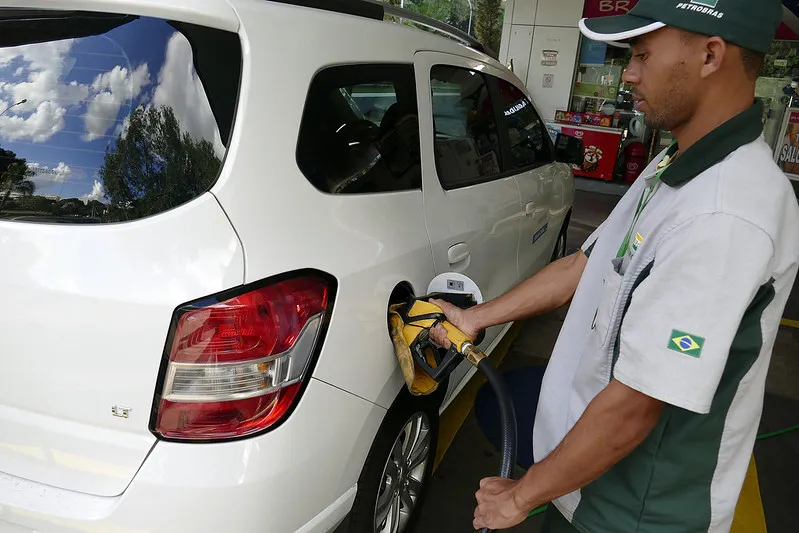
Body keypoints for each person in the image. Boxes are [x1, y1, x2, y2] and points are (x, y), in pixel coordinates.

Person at [430, 0, 799, 531]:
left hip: (634, 512)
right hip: (582, 479)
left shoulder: (726, 213)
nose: (628, 73)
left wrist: (519, 497)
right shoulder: (675, 162)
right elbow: (584, 265)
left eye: (643, 54)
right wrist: (475, 317)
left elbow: (634, 405)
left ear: (711, 55)